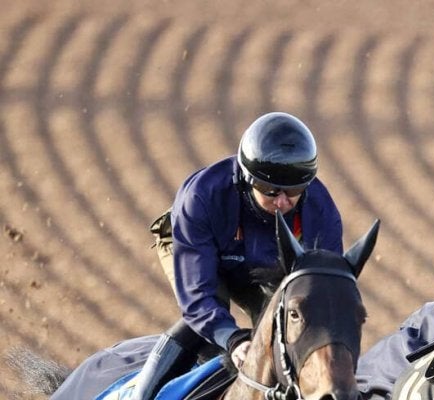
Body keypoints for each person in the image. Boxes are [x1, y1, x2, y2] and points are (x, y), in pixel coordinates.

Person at [132, 111, 344, 400]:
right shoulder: (202, 196)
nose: (282, 201)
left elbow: (322, 297)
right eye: (270, 190)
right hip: (200, 249)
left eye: (294, 190)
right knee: (209, 320)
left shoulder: (321, 212)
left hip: (265, 262)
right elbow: (198, 296)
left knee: (283, 322)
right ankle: (142, 394)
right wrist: (232, 340)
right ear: (247, 178)